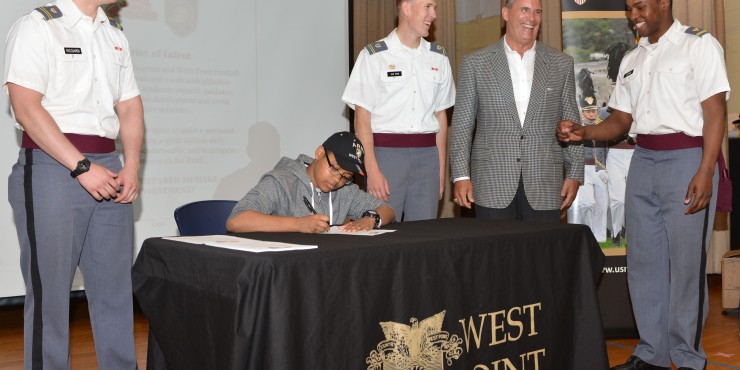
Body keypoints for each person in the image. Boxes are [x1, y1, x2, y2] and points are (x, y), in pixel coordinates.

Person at [557, 0, 730, 368]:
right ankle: (652, 352)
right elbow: (620, 120)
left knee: (686, 267)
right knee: (643, 264)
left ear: (664, 3)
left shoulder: (698, 45)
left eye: (640, 6)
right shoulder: (633, 59)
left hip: (687, 158)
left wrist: (705, 169)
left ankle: (687, 357)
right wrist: (583, 131)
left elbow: (716, 112)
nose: (634, 15)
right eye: (629, 8)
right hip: (643, 160)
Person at [4, 0, 144, 368]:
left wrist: (131, 165)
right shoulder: (37, 26)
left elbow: (129, 106)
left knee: (115, 293)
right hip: (54, 167)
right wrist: (81, 166)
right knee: (49, 296)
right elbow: (26, 107)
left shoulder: (114, 34)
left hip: (110, 167)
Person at [449, 0, 583, 222]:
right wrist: (461, 175)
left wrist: (575, 173)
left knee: (541, 256)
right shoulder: (476, 64)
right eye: (524, 10)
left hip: (545, 185)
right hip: (492, 185)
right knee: (495, 256)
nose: (531, 18)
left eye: (537, 11)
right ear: (505, 13)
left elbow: (571, 123)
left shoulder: (561, 64)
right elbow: (462, 125)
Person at [341, 0, 455, 222]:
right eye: (428, 7)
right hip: (386, 156)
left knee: (423, 238)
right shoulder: (374, 56)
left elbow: (441, 116)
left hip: (427, 158)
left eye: (435, 8)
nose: (433, 14)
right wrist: (371, 169)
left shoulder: (439, 58)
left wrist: (440, 171)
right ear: (406, 8)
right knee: (383, 233)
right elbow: (362, 117)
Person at [226, 132, 396, 233]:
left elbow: (387, 210)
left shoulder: (345, 190)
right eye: (335, 169)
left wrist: (371, 218)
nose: (337, 179)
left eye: (345, 176)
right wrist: (298, 224)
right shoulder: (282, 181)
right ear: (319, 153)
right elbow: (237, 220)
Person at [568, 73, 609, 242]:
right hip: (583, 169)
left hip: (600, 168)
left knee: (602, 204)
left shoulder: (603, 124)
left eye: (594, 110)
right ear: (582, 111)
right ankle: (587, 234)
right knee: (587, 203)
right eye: (588, 111)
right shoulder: (577, 126)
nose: (592, 114)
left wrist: (606, 168)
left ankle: (599, 238)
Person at [603, 42, 635, 246]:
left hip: (635, 152)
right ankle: (615, 232)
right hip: (615, 152)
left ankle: (629, 231)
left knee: (632, 199)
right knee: (617, 199)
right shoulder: (610, 90)